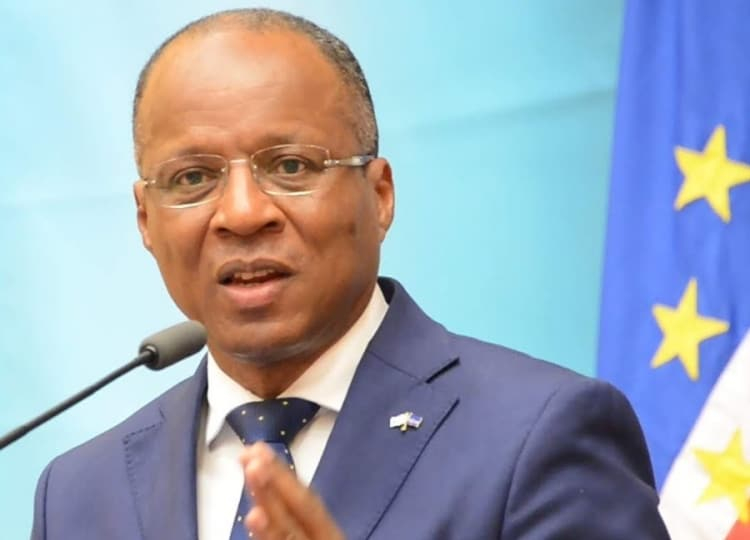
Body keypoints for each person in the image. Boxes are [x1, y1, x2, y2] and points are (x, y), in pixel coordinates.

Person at [30, 8, 670, 540]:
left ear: (380, 195)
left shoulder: (538, 435)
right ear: (146, 219)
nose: (243, 214)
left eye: (291, 166)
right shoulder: (79, 493)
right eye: (192, 178)